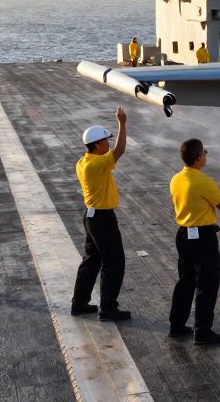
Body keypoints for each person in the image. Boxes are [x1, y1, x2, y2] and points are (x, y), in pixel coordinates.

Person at [71, 107, 131, 321]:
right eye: (106, 140)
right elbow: (120, 150)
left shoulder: (83, 161)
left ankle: (79, 303)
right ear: (97, 144)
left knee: (92, 260)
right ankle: (108, 308)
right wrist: (122, 123)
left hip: (91, 216)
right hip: (102, 219)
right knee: (114, 262)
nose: (108, 143)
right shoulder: (96, 164)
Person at [168, 138, 220, 344]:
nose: (206, 154)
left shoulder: (176, 179)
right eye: (204, 152)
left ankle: (176, 325)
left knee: (185, 281)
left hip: (183, 234)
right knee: (207, 283)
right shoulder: (204, 182)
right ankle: (202, 331)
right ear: (198, 159)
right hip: (203, 237)